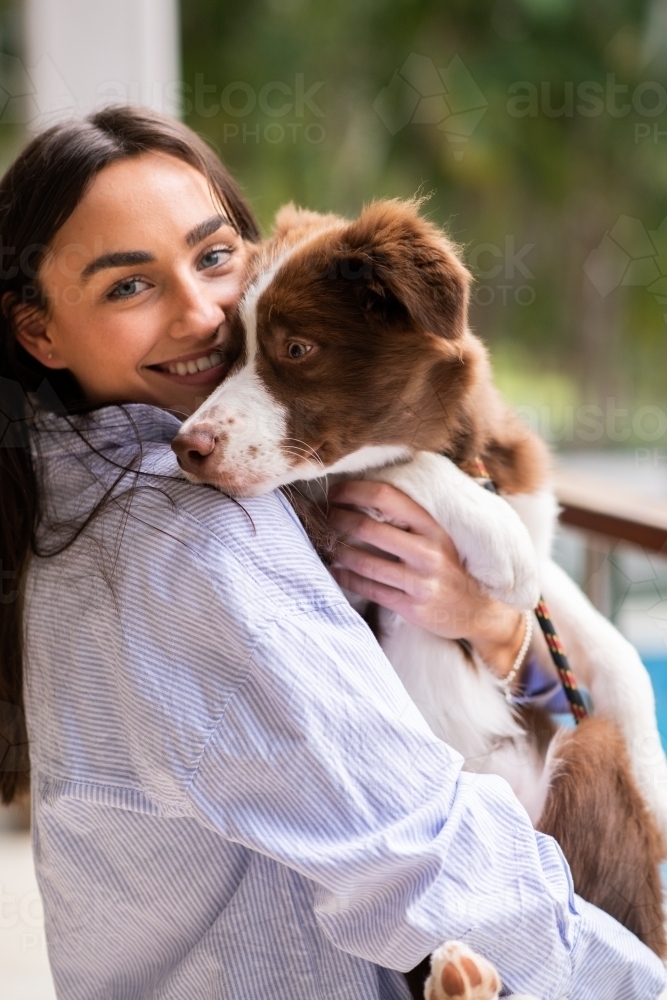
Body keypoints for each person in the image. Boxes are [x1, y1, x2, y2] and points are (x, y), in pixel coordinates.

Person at [0, 106, 663, 1000]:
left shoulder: (67, 488)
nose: (200, 315)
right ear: (37, 330)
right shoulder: (192, 535)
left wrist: (497, 633)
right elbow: (419, 854)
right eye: (128, 287)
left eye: (212, 256)